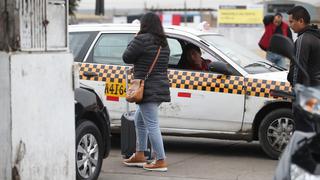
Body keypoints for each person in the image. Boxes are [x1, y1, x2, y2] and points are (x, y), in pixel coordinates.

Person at [122, 12, 171, 171]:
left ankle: (161, 160)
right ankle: (140, 154)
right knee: (139, 120)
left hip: (146, 88)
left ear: (144, 24)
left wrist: (134, 38)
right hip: (160, 87)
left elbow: (126, 57)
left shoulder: (141, 39)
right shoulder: (164, 42)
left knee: (152, 125)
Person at [286, 6, 320, 132]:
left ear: (300, 21)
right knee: (313, 130)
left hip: (306, 94)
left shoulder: (303, 39)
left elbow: (298, 69)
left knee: (303, 131)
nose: (290, 25)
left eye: (291, 21)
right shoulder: (316, 36)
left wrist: (296, 92)